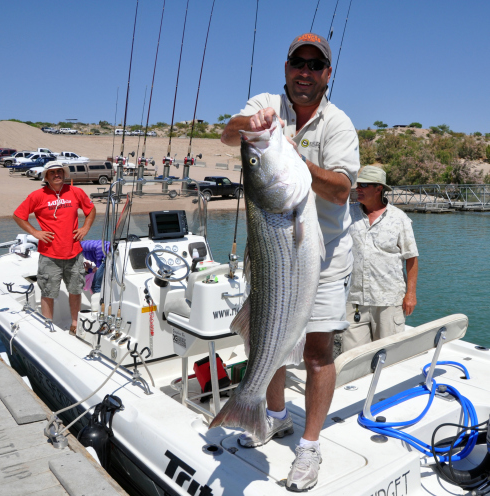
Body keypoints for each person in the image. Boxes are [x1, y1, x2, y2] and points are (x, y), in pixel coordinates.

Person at [221, 33, 360, 491]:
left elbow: (341, 189)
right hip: (275, 255)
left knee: (318, 353)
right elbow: (229, 133)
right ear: (286, 69)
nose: (305, 72)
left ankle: (310, 446)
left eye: (314, 65)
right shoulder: (267, 104)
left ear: (327, 74)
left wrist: (297, 163)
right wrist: (252, 123)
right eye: (297, 63)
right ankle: (271, 414)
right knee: (270, 337)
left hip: (327, 256)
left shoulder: (339, 124)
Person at [13, 161, 96, 335]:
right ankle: (47, 326)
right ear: (46, 176)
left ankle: (74, 324)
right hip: (50, 255)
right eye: (52, 172)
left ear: (64, 174)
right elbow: (19, 216)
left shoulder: (76, 192)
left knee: (75, 290)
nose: (57, 174)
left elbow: (91, 210)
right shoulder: (37, 195)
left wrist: (85, 228)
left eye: (60, 171)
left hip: (74, 253)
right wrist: (35, 233)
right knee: (48, 292)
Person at [341, 166, 419, 352]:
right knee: (352, 357)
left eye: (364, 185)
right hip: (354, 299)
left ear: (379, 189)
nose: (358, 188)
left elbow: (412, 258)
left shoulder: (399, 219)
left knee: (389, 355)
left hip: (388, 300)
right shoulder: (347, 214)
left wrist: (411, 294)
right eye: (358, 185)